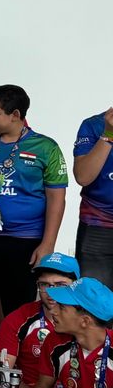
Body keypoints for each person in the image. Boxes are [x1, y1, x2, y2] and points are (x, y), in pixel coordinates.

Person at [0, 85, 67, 325]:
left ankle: (14, 360)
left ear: (15, 115)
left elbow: (57, 199)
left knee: (18, 310)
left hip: (23, 243)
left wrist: (47, 244)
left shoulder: (46, 148)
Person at [0, 252, 79, 388]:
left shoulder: (89, 321)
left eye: (60, 285)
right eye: (44, 284)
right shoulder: (17, 319)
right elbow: (1, 373)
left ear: (76, 285)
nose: (51, 292)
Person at [72, 106, 113, 287]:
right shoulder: (93, 125)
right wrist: (108, 135)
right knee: (93, 304)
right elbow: (83, 176)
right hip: (98, 225)